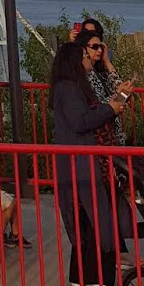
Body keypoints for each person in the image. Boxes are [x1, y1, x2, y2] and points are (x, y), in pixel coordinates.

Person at [50, 39, 131, 285]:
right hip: (84, 167)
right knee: (93, 228)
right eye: (87, 55)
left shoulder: (73, 87)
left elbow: (91, 113)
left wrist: (118, 99)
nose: (90, 58)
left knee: (92, 229)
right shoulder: (69, 88)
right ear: (76, 61)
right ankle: (93, 280)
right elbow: (81, 121)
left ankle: (89, 278)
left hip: (89, 165)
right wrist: (110, 109)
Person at [71, 20, 134, 148]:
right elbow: (98, 105)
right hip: (99, 137)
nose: (99, 50)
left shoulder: (99, 71)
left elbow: (114, 97)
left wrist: (107, 62)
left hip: (110, 132)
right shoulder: (81, 75)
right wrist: (119, 95)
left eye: (100, 46)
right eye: (94, 47)